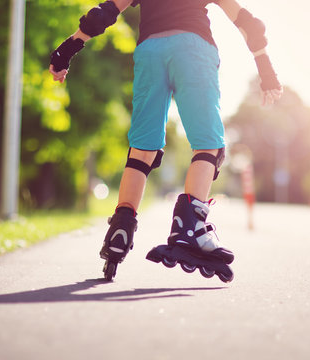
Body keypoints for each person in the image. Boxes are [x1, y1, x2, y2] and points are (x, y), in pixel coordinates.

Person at [49, 0, 282, 282]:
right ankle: (190, 227)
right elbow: (247, 23)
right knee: (209, 145)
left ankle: (121, 226)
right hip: (193, 49)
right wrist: (266, 68)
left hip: (150, 52)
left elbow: (103, 14)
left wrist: (66, 50)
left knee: (143, 149)